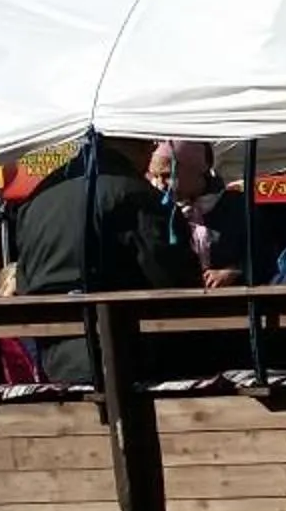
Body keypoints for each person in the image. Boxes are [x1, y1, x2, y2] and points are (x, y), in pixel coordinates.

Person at [15, 137, 199, 383]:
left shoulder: (38, 197)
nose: (151, 153)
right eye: (150, 145)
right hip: (130, 357)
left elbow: (24, 281)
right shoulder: (135, 194)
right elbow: (173, 281)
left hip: (58, 361)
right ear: (137, 145)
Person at [150, 140, 247, 286]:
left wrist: (235, 271)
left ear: (194, 171)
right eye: (155, 176)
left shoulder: (237, 206)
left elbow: (264, 254)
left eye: (167, 175)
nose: (160, 185)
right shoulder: (162, 211)